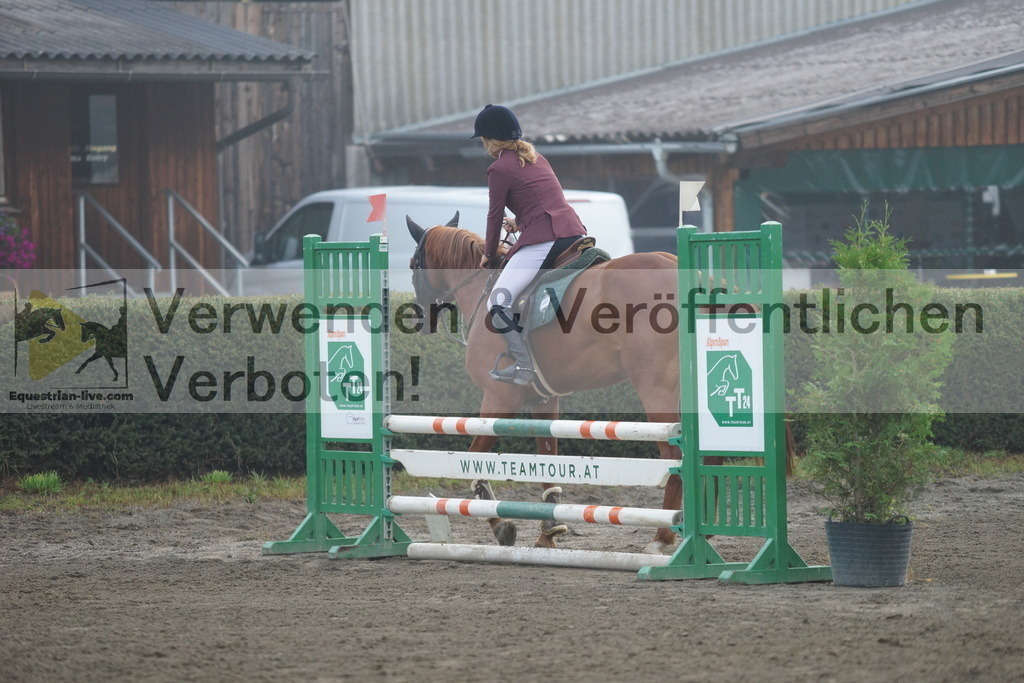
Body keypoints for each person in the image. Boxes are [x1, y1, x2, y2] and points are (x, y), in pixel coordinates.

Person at [473, 104, 588, 386]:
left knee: (497, 301)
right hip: (573, 232)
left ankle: (524, 366)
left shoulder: (499, 168)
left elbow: (493, 215)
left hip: (545, 240)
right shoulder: (537, 158)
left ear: (490, 139)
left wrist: (489, 254)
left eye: (484, 141)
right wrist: (520, 222)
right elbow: (543, 204)